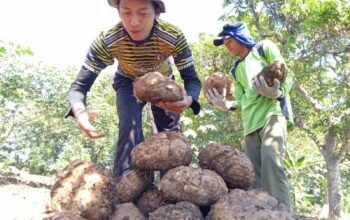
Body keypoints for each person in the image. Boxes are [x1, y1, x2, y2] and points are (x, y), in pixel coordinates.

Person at [66, 0, 201, 178]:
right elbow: (79, 86)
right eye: (126, 12)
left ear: (157, 13)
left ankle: (174, 185)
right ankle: (127, 186)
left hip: (163, 84)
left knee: (171, 135)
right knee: (129, 125)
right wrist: (79, 111)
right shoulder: (108, 40)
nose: (134, 22)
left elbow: (192, 79)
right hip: (128, 81)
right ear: (118, 12)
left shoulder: (172, 36)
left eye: (143, 13)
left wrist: (189, 100)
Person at [206, 21, 294, 212]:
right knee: (254, 176)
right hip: (250, 125)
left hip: (273, 114)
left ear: (239, 37)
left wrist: (277, 93)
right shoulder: (235, 70)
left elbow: (287, 74)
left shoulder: (264, 48)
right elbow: (241, 100)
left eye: (228, 40)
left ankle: (285, 214)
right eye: (224, 43)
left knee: (271, 158)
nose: (226, 45)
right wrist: (226, 105)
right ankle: (262, 214)